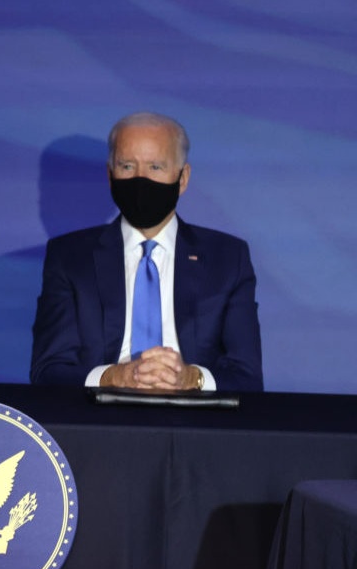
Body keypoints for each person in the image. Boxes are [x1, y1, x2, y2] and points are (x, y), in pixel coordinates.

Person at [30, 112, 262, 392]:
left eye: (155, 167)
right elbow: (48, 370)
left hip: (196, 422)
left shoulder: (227, 258)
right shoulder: (69, 257)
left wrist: (190, 378)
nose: (140, 180)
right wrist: (115, 377)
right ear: (110, 175)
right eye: (127, 166)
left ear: (183, 178)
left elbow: (247, 377)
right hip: (99, 420)